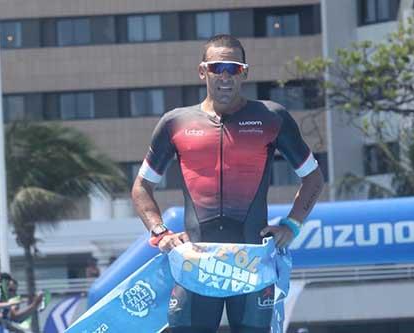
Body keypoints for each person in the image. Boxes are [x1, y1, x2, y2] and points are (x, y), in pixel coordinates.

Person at [131, 34, 324, 333]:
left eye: (233, 68)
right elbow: (141, 187)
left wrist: (292, 225)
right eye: (216, 67)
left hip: (252, 265)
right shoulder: (176, 122)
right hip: (196, 264)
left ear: (244, 73)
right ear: (202, 71)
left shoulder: (271, 117)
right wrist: (160, 233)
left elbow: (313, 178)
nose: (224, 76)